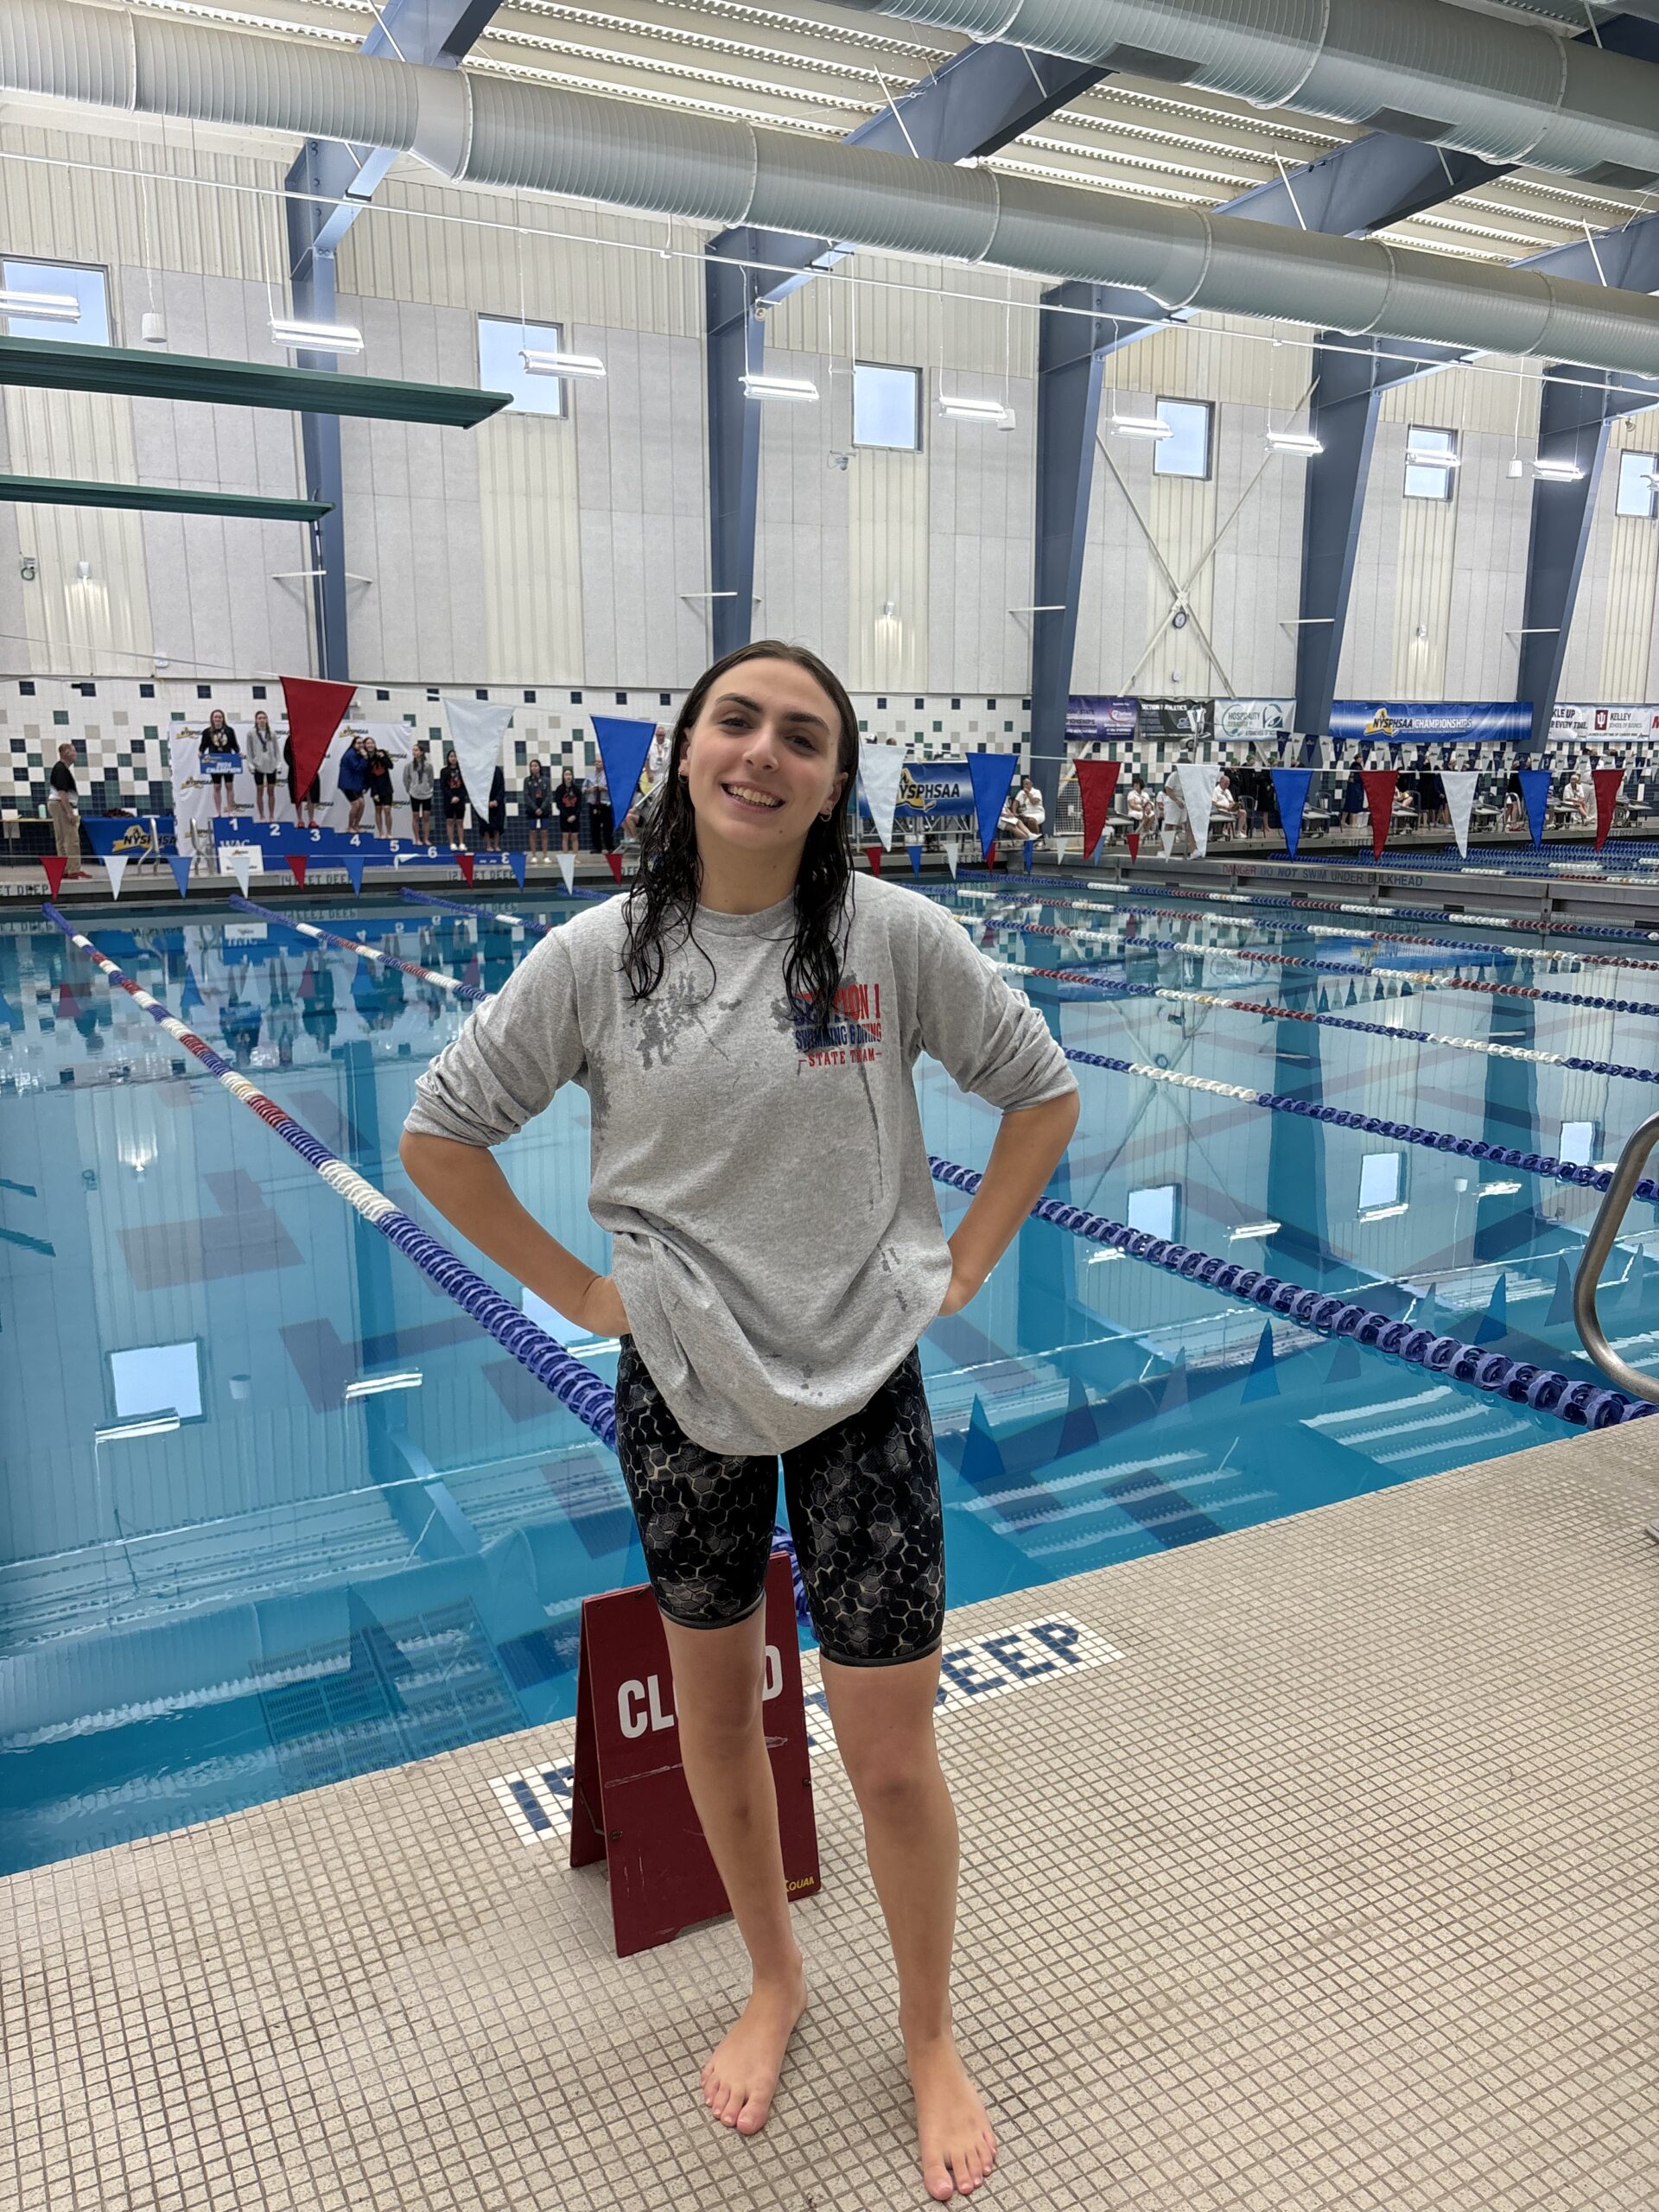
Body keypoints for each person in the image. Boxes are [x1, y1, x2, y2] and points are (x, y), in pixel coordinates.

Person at [400, 640, 1077, 2204]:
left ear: (835, 780)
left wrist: (963, 1264)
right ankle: (771, 1981)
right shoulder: (599, 957)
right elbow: (442, 1134)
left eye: (803, 736)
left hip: (865, 1396)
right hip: (685, 1397)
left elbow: (1040, 1091)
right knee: (718, 1718)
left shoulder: (893, 938)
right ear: (688, 748)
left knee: (892, 1761)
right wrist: (579, 1292)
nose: (762, 752)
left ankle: (926, 2035)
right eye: (737, 720)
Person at [47, 741, 89, 880]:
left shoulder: (61, 768)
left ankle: (64, 869)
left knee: (62, 838)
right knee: (72, 838)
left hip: (57, 804)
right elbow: (62, 792)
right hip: (60, 804)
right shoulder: (61, 769)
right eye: (73, 751)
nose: (76, 754)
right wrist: (69, 812)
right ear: (66, 753)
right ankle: (73, 869)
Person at [200, 709, 240, 818]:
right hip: (214, 762)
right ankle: (218, 811)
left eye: (220, 717)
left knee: (229, 785)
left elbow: (234, 745)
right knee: (217, 786)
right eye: (216, 717)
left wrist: (238, 753)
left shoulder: (229, 731)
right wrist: (200, 752)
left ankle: (231, 810)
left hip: (228, 761)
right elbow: (203, 746)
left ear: (223, 718)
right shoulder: (207, 732)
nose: (218, 719)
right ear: (212, 719)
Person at [246, 709, 282, 823]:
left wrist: (279, 764)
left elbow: (277, 750)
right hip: (258, 766)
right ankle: (262, 815)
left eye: (264, 718)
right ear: (256, 720)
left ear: (267, 720)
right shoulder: (251, 733)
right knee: (260, 790)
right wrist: (250, 765)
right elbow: (249, 750)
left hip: (271, 765)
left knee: (271, 791)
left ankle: (271, 815)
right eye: (259, 718)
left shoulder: (272, 733)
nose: (262, 720)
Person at [284, 729, 322, 829]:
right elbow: (287, 755)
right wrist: (295, 767)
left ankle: (311, 820)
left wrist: (311, 765)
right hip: (295, 771)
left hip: (310, 770)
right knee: (298, 795)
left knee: (311, 794)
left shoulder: (311, 739)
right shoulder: (290, 739)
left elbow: (317, 754)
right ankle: (300, 820)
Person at [337, 732, 372, 833]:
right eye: (358, 743)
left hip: (356, 784)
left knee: (362, 803)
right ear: (354, 744)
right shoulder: (351, 754)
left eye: (362, 743)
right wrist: (365, 758)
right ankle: (349, 827)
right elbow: (358, 768)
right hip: (347, 784)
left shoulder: (359, 753)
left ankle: (356, 826)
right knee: (356, 804)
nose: (361, 745)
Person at [1162, 753, 1193, 857]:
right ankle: (1163, 850)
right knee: (1170, 826)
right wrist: (1176, 800)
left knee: (1188, 825)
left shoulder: (1188, 777)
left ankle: (1193, 850)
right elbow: (1168, 789)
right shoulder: (1174, 776)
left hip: (1184, 801)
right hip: (1172, 801)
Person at [403, 741, 434, 842]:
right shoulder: (409, 766)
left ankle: (426, 839)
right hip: (414, 794)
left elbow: (431, 779)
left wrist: (428, 788)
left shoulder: (428, 765)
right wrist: (410, 789)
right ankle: (417, 839)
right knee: (415, 817)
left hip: (426, 795)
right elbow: (406, 779)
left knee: (426, 817)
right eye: (413, 750)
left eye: (416, 750)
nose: (414, 752)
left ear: (421, 752)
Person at [523, 758, 552, 857]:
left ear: (539, 767)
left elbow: (549, 795)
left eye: (535, 766)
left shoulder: (546, 780)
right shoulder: (527, 780)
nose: (533, 768)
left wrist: (542, 808)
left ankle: (545, 855)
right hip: (532, 809)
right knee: (533, 832)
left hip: (544, 808)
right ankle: (534, 855)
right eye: (532, 766)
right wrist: (535, 808)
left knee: (544, 832)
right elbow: (526, 795)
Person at [440, 748, 468, 849]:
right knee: (450, 821)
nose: (453, 758)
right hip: (449, 800)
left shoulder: (463, 771)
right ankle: (451, 843)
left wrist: (459, 797)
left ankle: (461, 843)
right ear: (448, 758)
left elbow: (465, 786)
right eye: (451, 756)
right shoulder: (444, 771)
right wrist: (451, 797)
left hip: (460, 800)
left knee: (460, 822)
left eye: (455, 756)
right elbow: (443, 787)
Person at [367, 741, 395, 836]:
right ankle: (381, 833)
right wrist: (374, 792)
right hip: (376, 788)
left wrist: (382, 757)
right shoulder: (366, 759)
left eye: (372, 743)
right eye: (368, 743)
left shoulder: (381, 752)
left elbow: (390, 766)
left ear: (375, 744)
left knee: (387, 809)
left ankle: (389, 832)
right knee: (378, 810)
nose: (370, 745)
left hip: (386, 787)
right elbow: (369, 777)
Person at [554, 764, 582, 854]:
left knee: (574, 837)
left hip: (575, 816)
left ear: (572, 776)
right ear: (563, 776)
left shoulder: (577, 789)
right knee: (565, 836)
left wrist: (575, 815)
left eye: (570, 774)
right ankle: (565, 856)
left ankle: (576, 857)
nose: (568, 776)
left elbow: (580, 804)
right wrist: (567, 816)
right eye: (566, 775)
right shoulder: (560, 789)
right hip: (564, 816)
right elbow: (559, 804)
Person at [587, 759, 613, 854]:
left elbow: (612, 789)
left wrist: (603, 789)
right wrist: (589, 790)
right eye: (596, 762)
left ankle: (609, 846)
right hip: (594, 803)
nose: (597, 763)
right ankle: (597, 848)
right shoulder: (590, 776)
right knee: (594, 827)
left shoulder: (608, 775)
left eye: (600, 762)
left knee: (607, 827)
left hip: (605, 803)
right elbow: (583, 789)